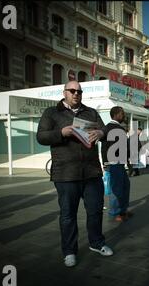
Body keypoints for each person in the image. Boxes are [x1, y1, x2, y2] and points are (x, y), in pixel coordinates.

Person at [37, 80, 113, 268]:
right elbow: (41, 137)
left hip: (91, 172)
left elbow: (104, 129)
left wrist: (100, 134)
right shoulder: (52, 113)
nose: (76, 93)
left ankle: (96, 243)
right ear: (64, 93)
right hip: (65, 174)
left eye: (79, 91)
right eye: (72, 91)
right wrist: (61, 132)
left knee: (95, 210)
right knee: (68, 215)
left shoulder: (91, 112)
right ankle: (69, 251)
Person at [101, 106, 132, 222]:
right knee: (116, 189)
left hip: (119, 163)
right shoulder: (109, 128)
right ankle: (115, 212)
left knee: (125, 186)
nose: (123, 116)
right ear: (116, 114)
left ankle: (123, 210)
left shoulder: (118, 128)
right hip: (113, 163)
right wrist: (105, 162)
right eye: (122, 113)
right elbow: (104, 147)